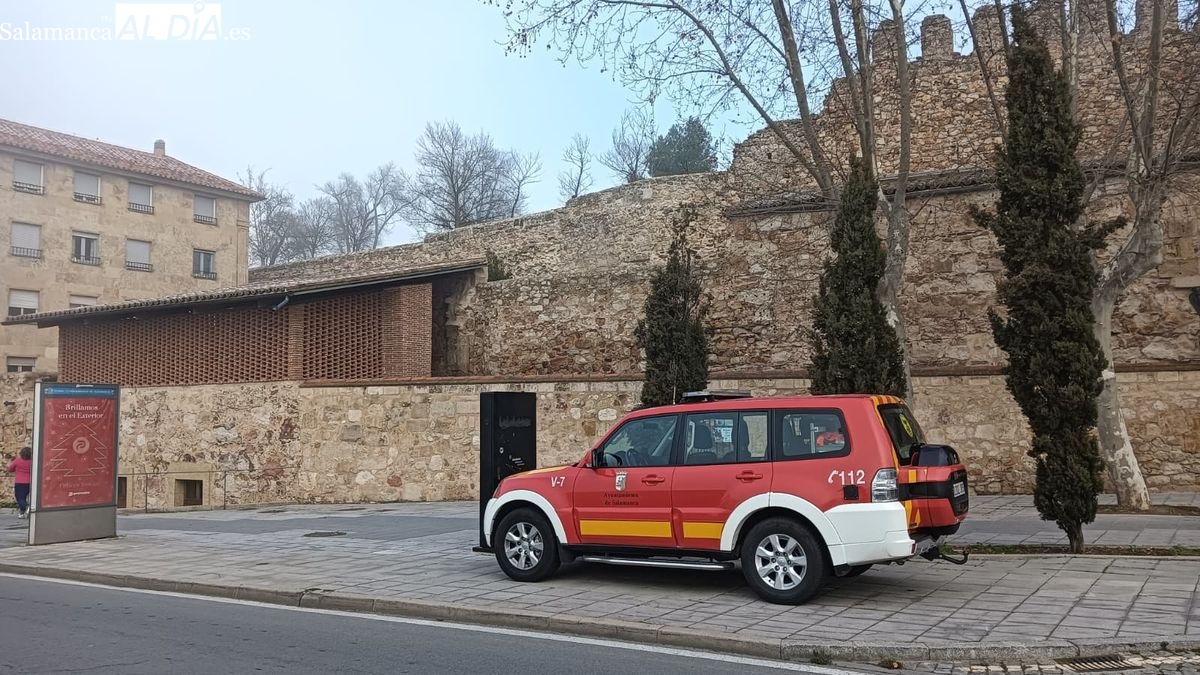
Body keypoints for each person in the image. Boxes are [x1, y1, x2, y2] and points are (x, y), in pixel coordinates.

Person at [6, 447, 32, 518]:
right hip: (30, 482)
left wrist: (9, 464)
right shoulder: (32, 461)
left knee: (20, 498)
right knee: (26, 498)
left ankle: (27, 507)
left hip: (20, 482)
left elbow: (10, 469)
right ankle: (22, 513)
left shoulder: (17, 461)